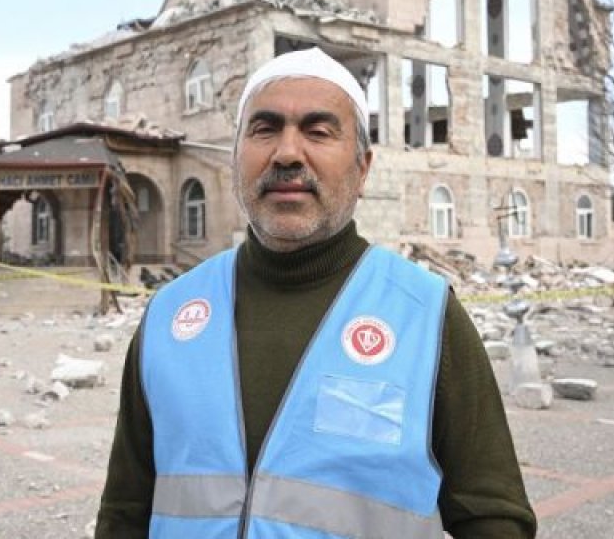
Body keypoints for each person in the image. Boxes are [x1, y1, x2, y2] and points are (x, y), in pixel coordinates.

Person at [95, 48, 537, 538]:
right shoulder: (169, 317)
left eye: (318, 131)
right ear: (237, 156)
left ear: (363, 168)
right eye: (264, 129)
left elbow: (495, 518)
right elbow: (124, 511)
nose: (286, 153)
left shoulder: (425, 315)